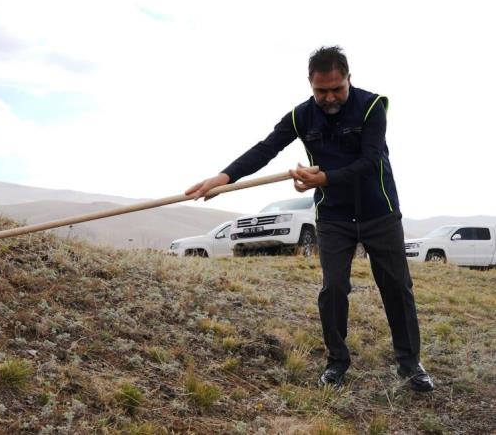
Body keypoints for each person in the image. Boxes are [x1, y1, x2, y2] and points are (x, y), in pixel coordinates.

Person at [185, 46, 434, 392]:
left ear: (349, 78)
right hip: (333, 216)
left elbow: (371, 160)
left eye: (337, 88)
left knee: (396, 287)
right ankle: (337, 362)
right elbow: (265, 148)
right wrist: (224, 178)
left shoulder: (373, 106)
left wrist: (325, 178)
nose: (329, 97)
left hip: (380, 212)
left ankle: (409, 364)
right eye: (321, 91)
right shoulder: (301, 116)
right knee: (333, 289)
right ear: (310, 84)